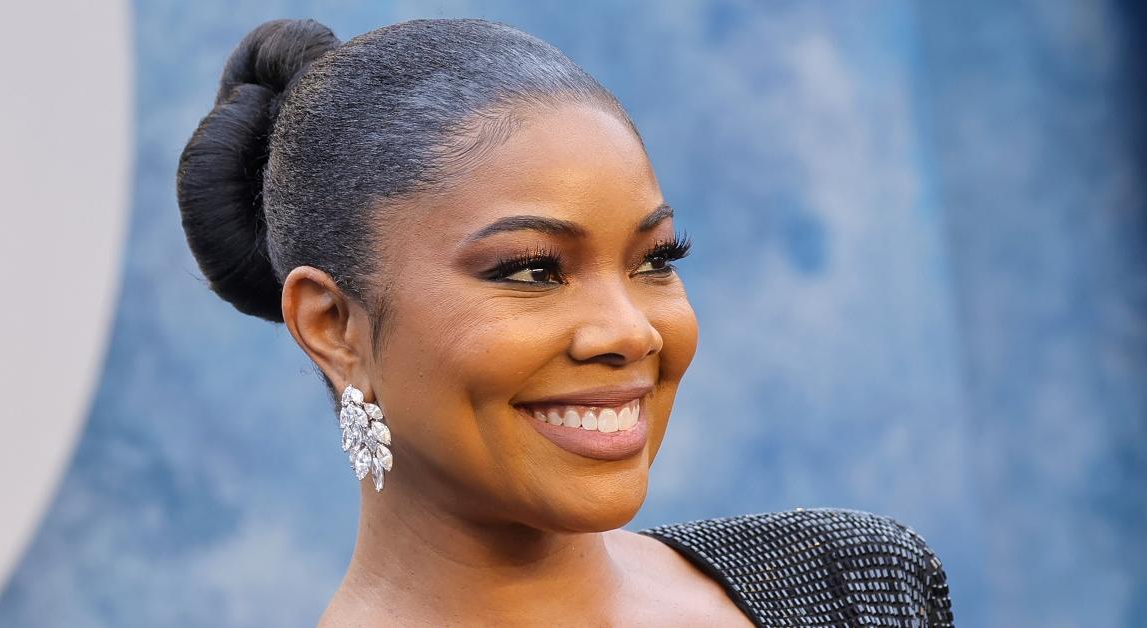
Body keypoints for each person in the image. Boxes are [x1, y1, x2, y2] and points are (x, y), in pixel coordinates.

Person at [176, 17, 954, 627]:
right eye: (532, 271)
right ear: (333, 326)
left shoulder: (854, 589)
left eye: (655, 260)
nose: (629, 332)